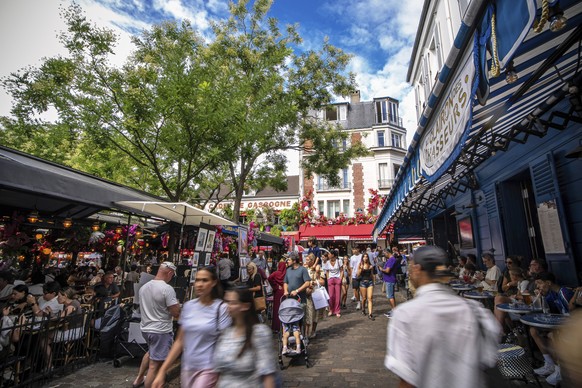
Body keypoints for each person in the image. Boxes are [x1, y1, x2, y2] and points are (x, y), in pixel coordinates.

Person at [385, 245, 501, 388]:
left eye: (411, 267)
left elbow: (407, 381)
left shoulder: (405, 315)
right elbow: (488, 361)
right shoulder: (475, 310)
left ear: (417, 269)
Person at [152, 267, 229, 388]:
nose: (200, 284)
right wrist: (162, 371)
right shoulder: (189, 306)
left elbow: (227, 341)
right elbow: (180, 341)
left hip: (209, 367)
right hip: (188, 367)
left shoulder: (221, 308)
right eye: (197, 280)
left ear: (213, 282)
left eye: (205, 280)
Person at [213, 286, 277, 387]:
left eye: (232, 303)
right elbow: (220, 375)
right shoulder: (225, 333)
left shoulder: (259, 333)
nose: (227, 306)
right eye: (226, 302)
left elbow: (267, 374)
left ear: (245, 306)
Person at [134, 262, 181, 388]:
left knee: (151, 352)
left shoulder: (144, 287)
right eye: (172, 275)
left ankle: (138, 379)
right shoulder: (167, 289)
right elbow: (175, 313)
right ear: (170, 273)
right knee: (155, 366)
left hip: (146, 328)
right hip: (160, 331)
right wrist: (176, 304)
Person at [530, 272, 574, 385]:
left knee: (553, 335)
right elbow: (545, 311)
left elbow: (574, 313)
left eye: (540, 283)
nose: (538, 287)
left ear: (548, 283)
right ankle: (550, 365)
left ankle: (561, 370)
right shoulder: (552, 294)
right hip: (563, 326)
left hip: (573, 328)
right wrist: (541, 297)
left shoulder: (564, 292)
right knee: (534, 330)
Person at [304, 253, 324, 337]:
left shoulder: (318, 269)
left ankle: (313, 331)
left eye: (308, 260)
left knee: (316, 314)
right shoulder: (304, 269)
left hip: (316, 293)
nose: (306, 261)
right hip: (307, 294)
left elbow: (322, 282)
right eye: (306, 259)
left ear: (312, 261)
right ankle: (306, 333)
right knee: (308, 313)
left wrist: (313, 282)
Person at [267, 257, 289, 332]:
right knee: (286, 308)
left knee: (277, 309)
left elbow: (269, 278)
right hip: (285, 291)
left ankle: (276, 326)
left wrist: (275, 286)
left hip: (278, 292)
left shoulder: (276, 273)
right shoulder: (287, 273)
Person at [323, 249, 342, 319]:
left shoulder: (339, 261)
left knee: (337, 296)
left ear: (333, 255)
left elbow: (341, 270)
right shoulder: (327, 262)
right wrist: (328, 279)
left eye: (329, 254)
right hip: (330, 279)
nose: (328, 255)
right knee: (331, 296)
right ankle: (331, 309)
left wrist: (340, 278)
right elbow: (327, 271)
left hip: (337, 279)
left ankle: (337, 311)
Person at [379, 249, 397, 317]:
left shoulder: (391, 259)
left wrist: (381, 269)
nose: (384, 255)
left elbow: (387, 270)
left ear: (387, 253)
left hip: (390, 279)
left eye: (384, 254)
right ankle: (393, 310)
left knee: (390, 296)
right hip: (389, 279)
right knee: (391, 296)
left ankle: (394, 311)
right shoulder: (390, 259)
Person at [357, 253, 375, 320]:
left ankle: (370, 314)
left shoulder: (370, 265)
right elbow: (358, 274)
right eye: (364, 257)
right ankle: (363, 309)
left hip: (370, 282)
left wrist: (374, 282)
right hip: (363, 283)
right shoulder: (360, 265)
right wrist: (361, 269)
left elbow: (372, 275)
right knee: (364, 298)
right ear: (362, 258)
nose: (365, 258)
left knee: (370, 298)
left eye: (366, 257)